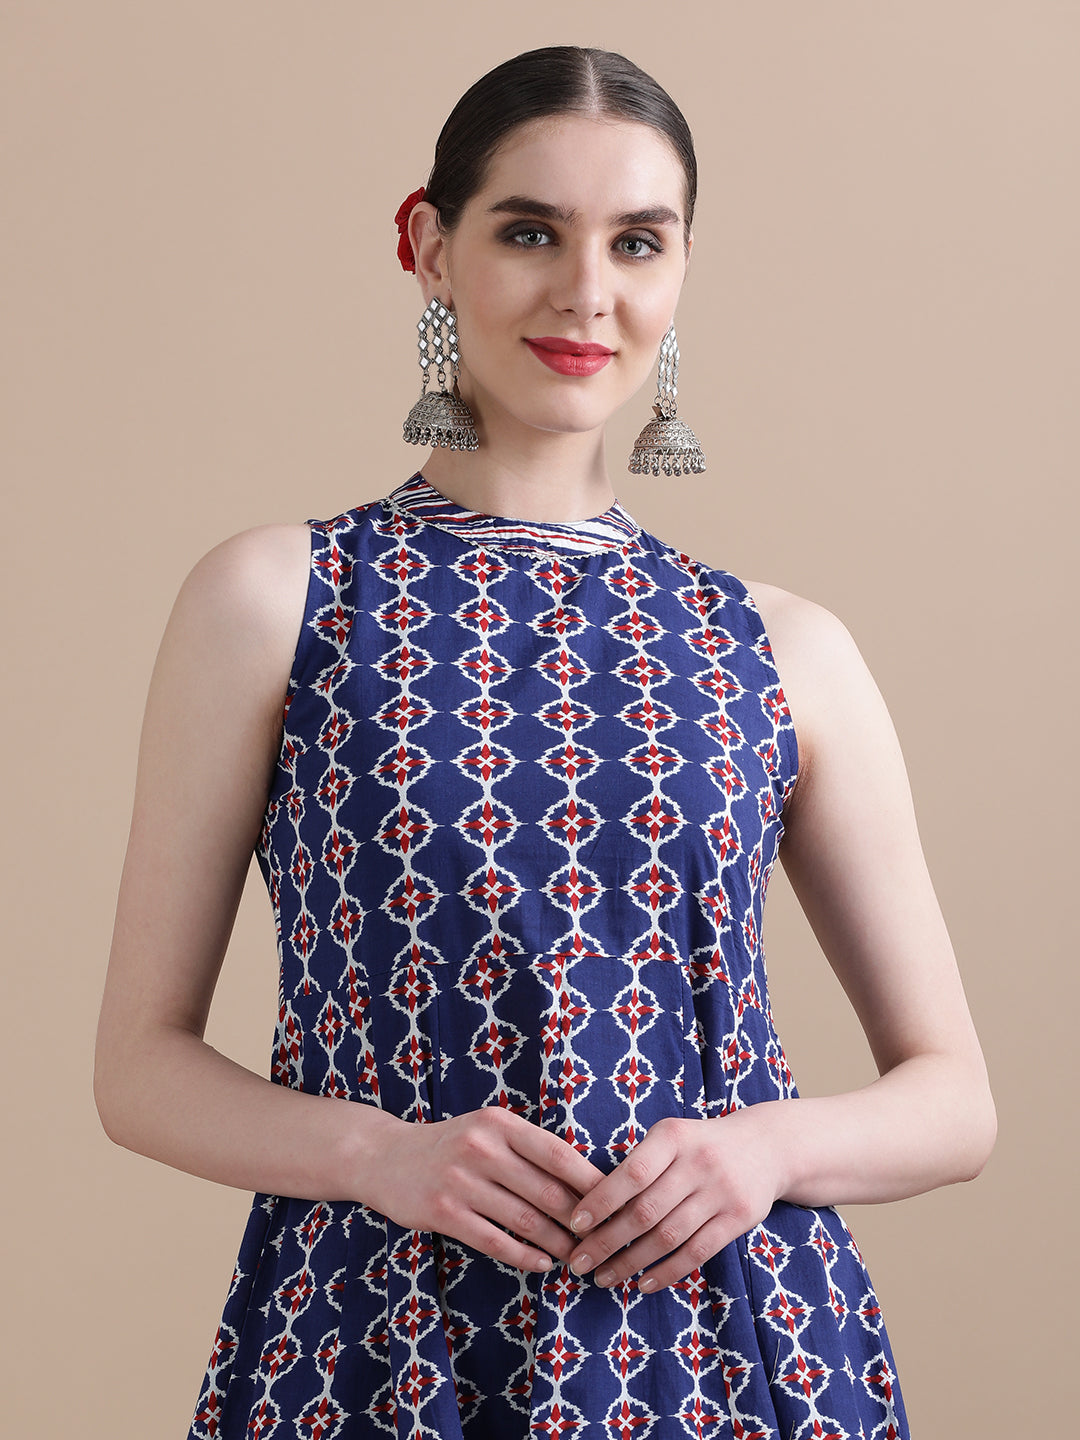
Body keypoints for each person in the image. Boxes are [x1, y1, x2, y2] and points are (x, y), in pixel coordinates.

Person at [94, 45, 996, 1440]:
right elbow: (139, 1068)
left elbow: (954, 1101)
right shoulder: (278, 601)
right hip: (380, 1341)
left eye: (637, 242)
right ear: (428, 245)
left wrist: (763, 1151)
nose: (587, 291)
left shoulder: (784, 647)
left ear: (681, 270)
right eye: (531, 232)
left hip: (734, 1347)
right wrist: (380, 1156)